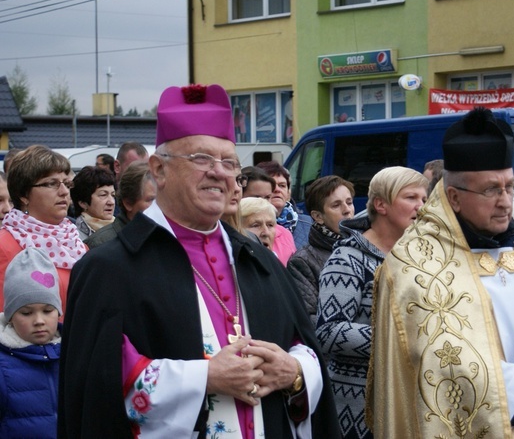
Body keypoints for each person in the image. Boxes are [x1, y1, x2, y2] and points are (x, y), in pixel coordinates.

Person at [58, 83, 339, 438]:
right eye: (201, 159)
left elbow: (303, 346)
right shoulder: (108, 269)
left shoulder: (258, 261)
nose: (219, 172)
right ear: (158, 169)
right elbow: (97, 389)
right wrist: (204, 378)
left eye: (229, 162)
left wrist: (295, 373)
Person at [366, 107, 514, 439]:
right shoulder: (414, 263)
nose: (505, 201)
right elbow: (440, 361)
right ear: (454, 197)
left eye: (510, 186)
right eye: (491, 190)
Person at [317, 166, 428, 439]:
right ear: (381, 204)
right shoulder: (348, 259)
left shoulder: (421, 257)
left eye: (424, 199)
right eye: (411, 198)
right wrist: (403, 340)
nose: (421, 207)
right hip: (359, 408)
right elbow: (328, 332)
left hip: (414, 400)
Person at [0, 145, 87, 317]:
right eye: (51, 184)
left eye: (66, 184)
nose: (64, 192)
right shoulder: (5, 246)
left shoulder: (77, 243)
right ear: (24, 194)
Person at [0, 247, 63, 438]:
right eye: (26, 313)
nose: (39, 321)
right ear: (10, 317)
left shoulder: (76, 353)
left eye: (48, 310)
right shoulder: (3, 366)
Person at [287, 175, 354, 326]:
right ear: (317, 216)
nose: (347, 210)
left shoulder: (366, 247)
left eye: (349, 202)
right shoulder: (302, 262)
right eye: (336, 205)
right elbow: (308, 319)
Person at [84, 161, 157, 249]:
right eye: (151, 200)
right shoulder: (100, 245)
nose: (160, 207)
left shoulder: (164, 238)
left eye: (163, 200)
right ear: (128, 203)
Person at [243, 166, 296, 265]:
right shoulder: (228, 232)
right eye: (256, 198)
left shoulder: (285, 234)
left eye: (267, 197)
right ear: (239, 195)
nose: (263, 203)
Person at [256, 160, 313, 249]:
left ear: (288, 193)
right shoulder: (247, 223)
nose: (277, 190)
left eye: (282, 185)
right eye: (272, 185)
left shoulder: (308, 223)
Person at [70, 166, 116, 239]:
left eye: (113, 195)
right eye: (103, 195)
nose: (111, 202)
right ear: (83, 203)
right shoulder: (74, 239)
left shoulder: (122, 229)